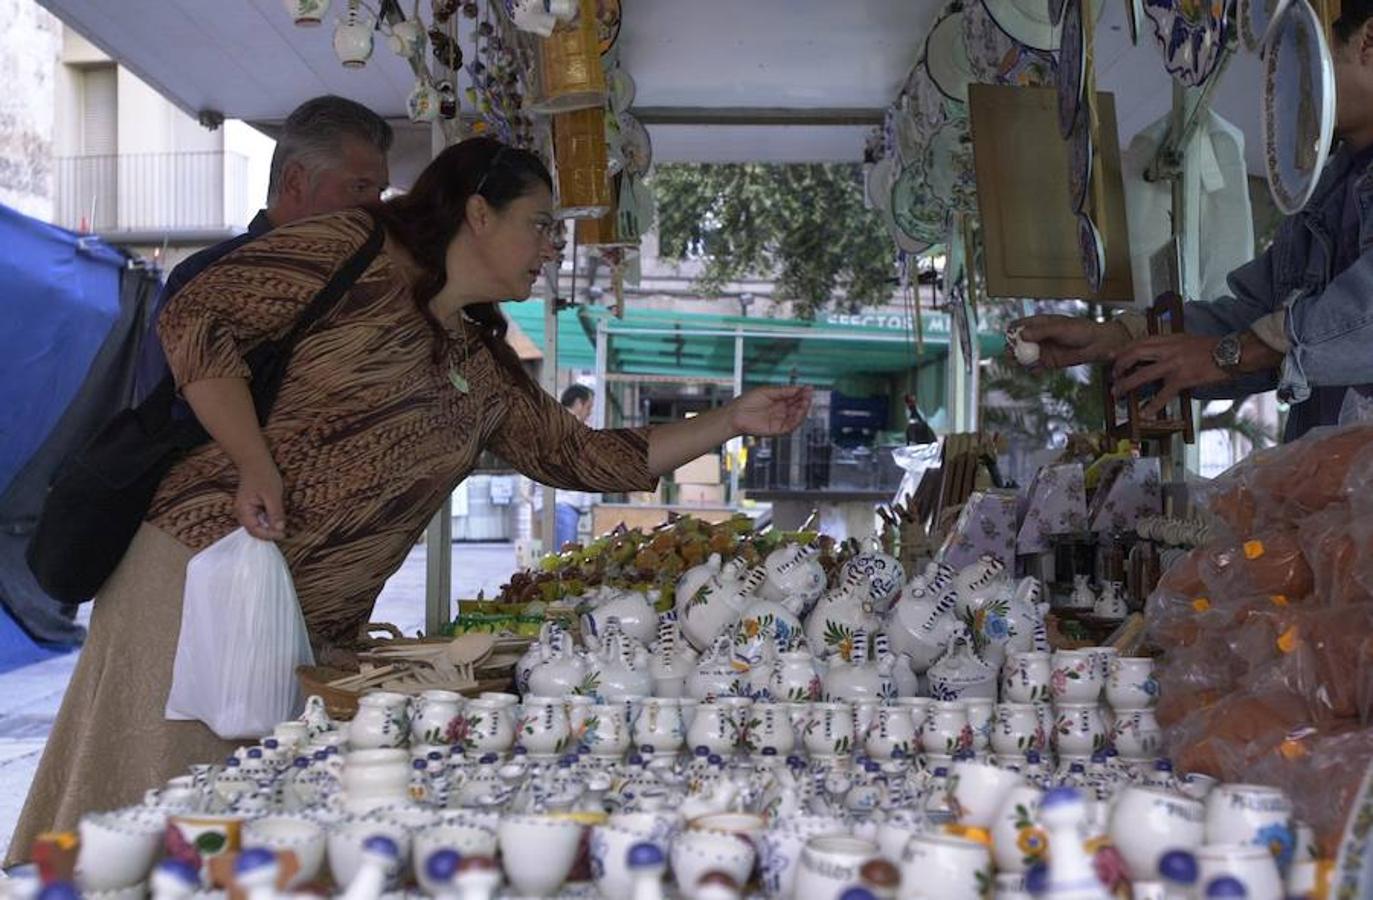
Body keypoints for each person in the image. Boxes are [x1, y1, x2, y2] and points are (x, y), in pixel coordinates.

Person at [6, 136, 812, 862]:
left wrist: (731, 419)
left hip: (311, 624)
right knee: (152, 823)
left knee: (246, 835)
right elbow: (197, 315)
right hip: (204, 573)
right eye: (539, 224)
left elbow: (589, 457)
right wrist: (253, 460)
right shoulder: (354, 248)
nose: (550, 248)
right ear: (477, 212)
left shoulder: (482, 359)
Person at [1012, 0, 1373, 443]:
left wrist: (1232, 354)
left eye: (1305, 61)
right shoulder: (1326, 193)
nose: (1291, 92)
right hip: (1333, 492)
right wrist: (1116, 337)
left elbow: (1347, 320)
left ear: (1368, 42)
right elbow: (1256, 319)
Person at [132, 94, 393, 402]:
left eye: (380, 192)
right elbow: (161, 416)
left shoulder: (371, 282)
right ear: (295, 181)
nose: (376, 208)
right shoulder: (204, 280)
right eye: (359, 187)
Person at [555, 383, 595, 549]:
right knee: (564, 557)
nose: (589, 412)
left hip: (565, 504)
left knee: (563, 555)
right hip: (563, 503)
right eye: (588, 407)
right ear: (578, 404)